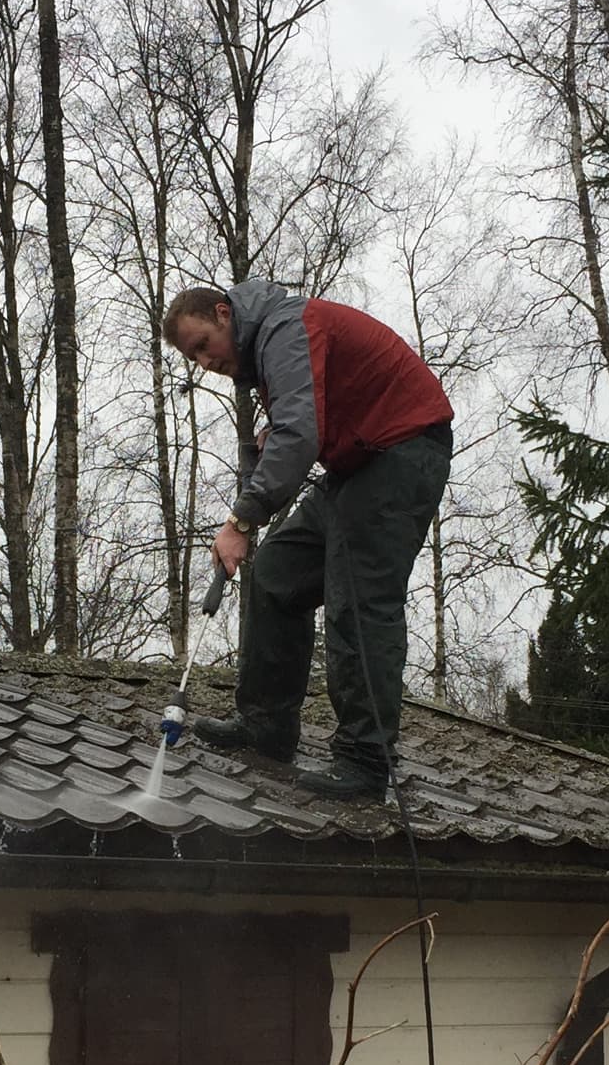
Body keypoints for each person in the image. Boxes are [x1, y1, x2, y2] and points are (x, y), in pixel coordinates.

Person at [163, 278, 453, 801]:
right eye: (192, 357)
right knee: (276, 575)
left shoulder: (284, 327)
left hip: (402, 453)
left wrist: (242, 521)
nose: (203, 361)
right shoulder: (264, 357)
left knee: (358, 601)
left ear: (225, 314)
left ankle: (365, 765)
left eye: (202, 344)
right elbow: (295, 431)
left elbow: (300, 435)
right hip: (355, 466)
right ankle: (266, 729)